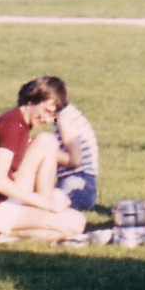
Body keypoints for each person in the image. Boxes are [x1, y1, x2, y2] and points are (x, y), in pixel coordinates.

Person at [0, 76, 87, 240]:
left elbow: (74, 160)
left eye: (52, 115)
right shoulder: (12, 127)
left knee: (47, 140)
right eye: (46, 111)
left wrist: (49, 197)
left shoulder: (19, 123)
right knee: (76, 223)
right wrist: (45, 203)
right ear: (31, 100)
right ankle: (5, 230)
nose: (47, 119)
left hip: (5, 200)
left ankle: (25, 225)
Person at [48, 78, 100, 213]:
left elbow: (76, 160)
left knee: (49, 209)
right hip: (83, 183)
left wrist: (43, 152)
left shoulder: (64, 119)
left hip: (78, 183)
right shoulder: (70, 113)